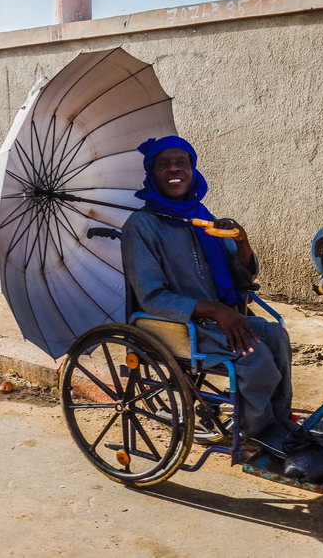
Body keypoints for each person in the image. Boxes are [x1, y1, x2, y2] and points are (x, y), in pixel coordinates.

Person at [120, 136, 296, 455]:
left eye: (181, 163)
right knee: (255, 360)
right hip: (181, 326)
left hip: (222, 318)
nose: (174, 169)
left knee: (276, 337)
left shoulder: (200, 216)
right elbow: (152, 297)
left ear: (193, 170)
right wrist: (214, 310)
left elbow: (242, 277)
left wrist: (241, 242)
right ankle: (258, 432)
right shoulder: (141, 226)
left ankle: (280, 421)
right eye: (164, 164)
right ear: (152, 174)